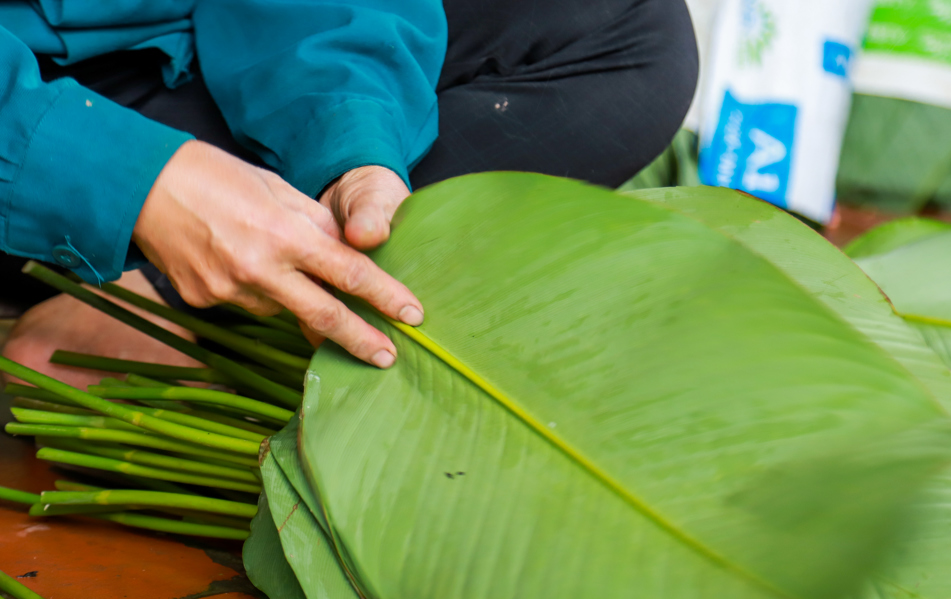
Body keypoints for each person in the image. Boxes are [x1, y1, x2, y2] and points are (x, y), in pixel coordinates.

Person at [0, 0, 698, 387]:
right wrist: (132, 181)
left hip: (136, 41)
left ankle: (169, 294)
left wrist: (349, 143)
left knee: (628, 29)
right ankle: (140, 265)